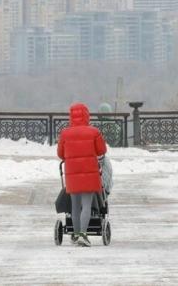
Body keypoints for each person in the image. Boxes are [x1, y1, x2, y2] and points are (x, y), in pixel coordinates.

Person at [57, 102, 107, 247]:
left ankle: (76, 234)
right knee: (86, 204)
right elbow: (101, 150)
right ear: (87, 115)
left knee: (75, 206)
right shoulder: (94, 132)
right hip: (90, 173)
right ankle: (83, 235)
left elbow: (60, 154)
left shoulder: (65, 133)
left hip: (72, 174)